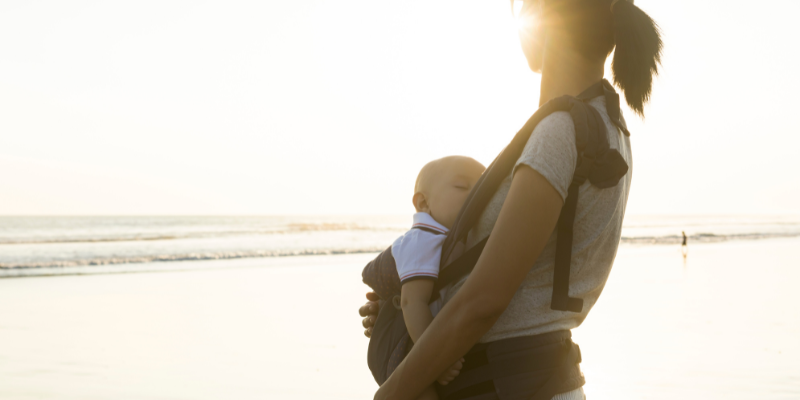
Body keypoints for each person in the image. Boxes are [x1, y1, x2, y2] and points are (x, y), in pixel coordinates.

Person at [360, 0, 662, 399]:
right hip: (542, 378)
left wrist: (392, 393)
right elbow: (532, 273)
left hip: (510, 382)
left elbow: (484, 301)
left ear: (542, 24)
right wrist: (408, 308)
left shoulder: (560, 131)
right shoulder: (605, 125)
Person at [367, 156, 486, 400]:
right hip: (408, 348)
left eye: (484, 188)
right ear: (423, 203)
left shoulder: (449, 240)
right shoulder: (423, 239)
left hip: (419, 341)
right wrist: (437, 360)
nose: (476, 195)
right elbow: (413, 302)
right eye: (463, 187)